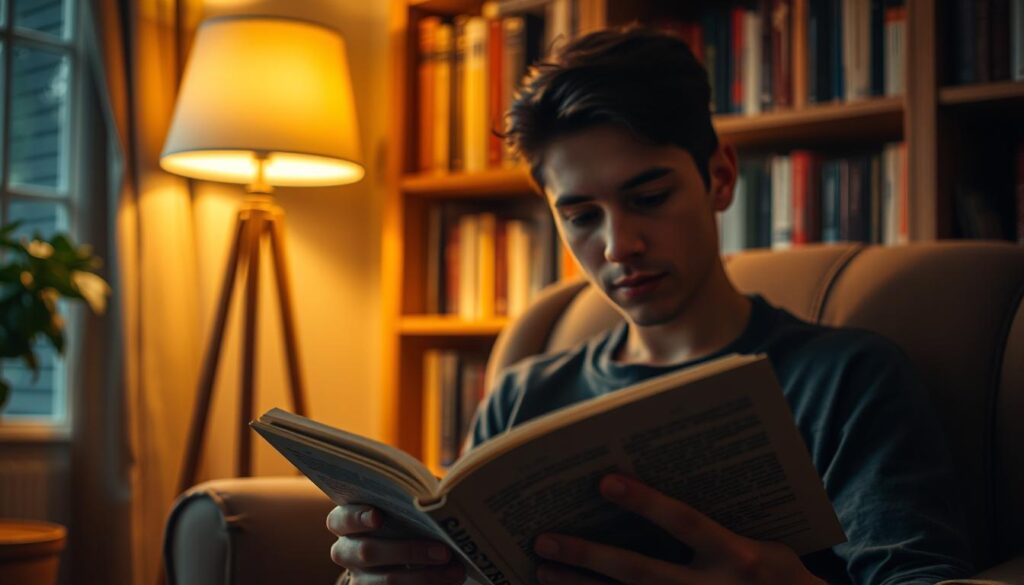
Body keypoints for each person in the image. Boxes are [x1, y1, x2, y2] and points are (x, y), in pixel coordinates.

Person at [327, 26, 974, 585]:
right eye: (580, 216)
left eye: (650, 197)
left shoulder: (845, 378)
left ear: (719, 176)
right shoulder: (524, 391)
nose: (618, 246)